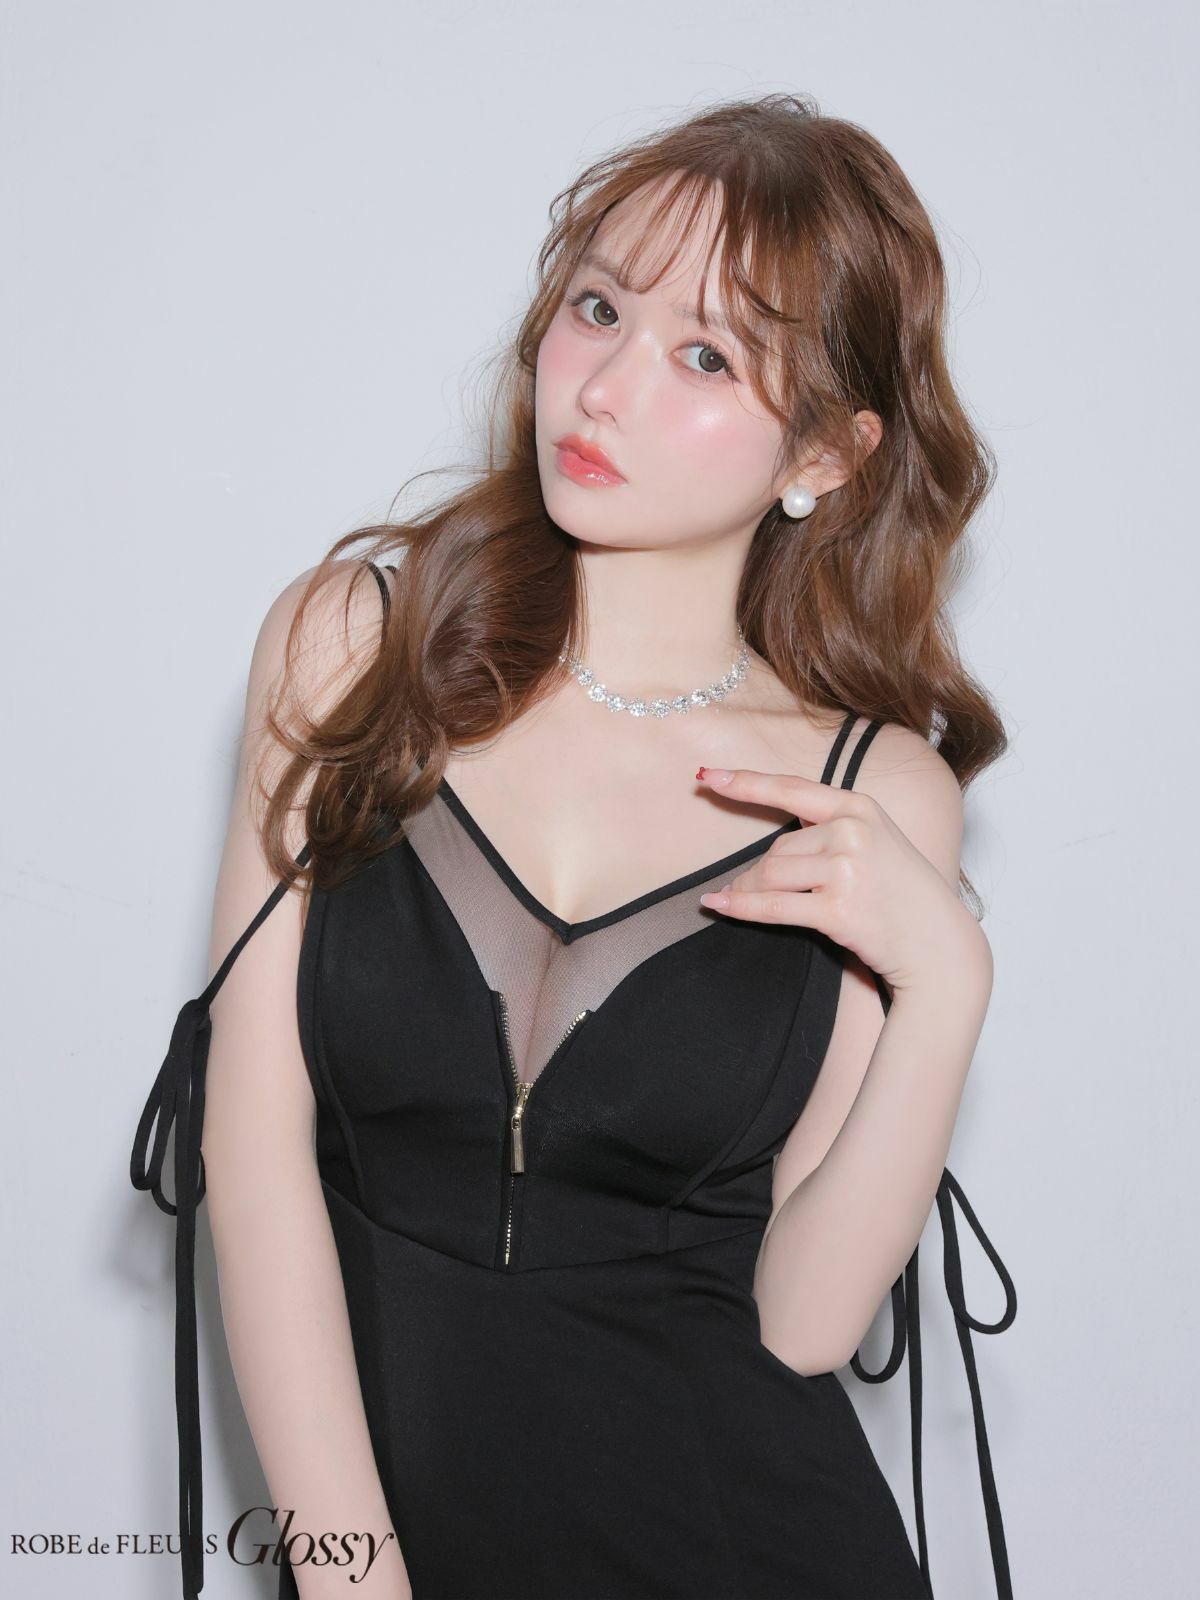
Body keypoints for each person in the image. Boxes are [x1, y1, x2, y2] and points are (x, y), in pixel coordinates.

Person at [132, 92, 1018, 1600]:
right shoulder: (355, 649)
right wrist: (351, 1579)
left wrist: (949, 991)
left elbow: (804, 1324)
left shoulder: (872, 789)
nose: (602, 388)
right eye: (598, 309)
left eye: (706, 356)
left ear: (824, 454)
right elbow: (253, 1142)